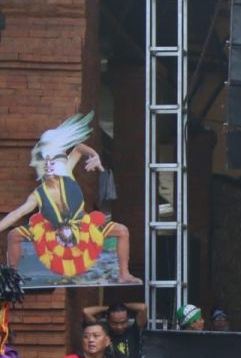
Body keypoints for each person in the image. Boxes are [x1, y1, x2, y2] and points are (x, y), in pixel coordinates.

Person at [0, 112, 139, 283]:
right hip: (54, 234)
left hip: (82, 228)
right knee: (14, 235)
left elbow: (79, 148)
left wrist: (94, 155)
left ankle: (124, 273)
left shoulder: (67, 173)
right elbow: (17, 213)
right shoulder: (38, 194)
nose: (50, 168)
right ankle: (13, 278)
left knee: (122, 231)